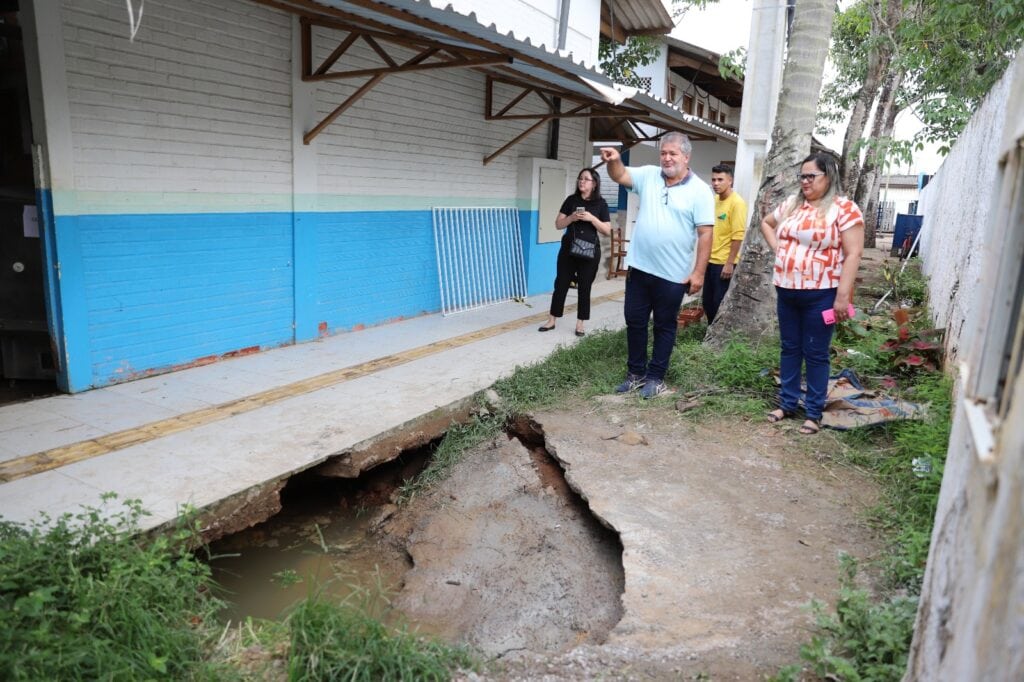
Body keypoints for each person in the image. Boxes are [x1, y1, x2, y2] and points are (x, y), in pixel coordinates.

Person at [600, 133, 714, 399]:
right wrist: (614, 160)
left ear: (686, 157)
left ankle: (656, 377)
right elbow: (620, 176)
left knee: (664, 325)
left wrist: (698, 273)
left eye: (673, 153)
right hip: (640, 269)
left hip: (673, 275)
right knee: (635, 321)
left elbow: (706, 234)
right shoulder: (650, 176)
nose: (667, 158)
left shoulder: (700, 191)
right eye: (663, 153)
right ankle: (636, 374)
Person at [761, 152, 864, 435]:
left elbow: (854, 253)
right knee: (789, 348)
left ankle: (814, 412)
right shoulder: (794, 204)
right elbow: (766, 223)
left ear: (828, 176)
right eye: (802, 176)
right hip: (787, 290)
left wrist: (842, 297)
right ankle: (787, 403)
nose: (805, 181)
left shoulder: (844, 209)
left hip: (822, 293)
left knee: (816, 353)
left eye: (811, 176)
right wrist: (779, 251)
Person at [538, 167, 612, 337]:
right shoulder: (571, 200)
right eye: (580, 178)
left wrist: (591, 218)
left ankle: (580, 324)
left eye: (586, 179)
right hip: (568, 251)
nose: (581, 181)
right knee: (561, 284)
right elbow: (558, 224)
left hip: (589, 252)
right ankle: (552, 320)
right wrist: (571, 218)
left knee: (584, 287)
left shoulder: (601, 204)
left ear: (594, 184)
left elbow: (607, 230)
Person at [704, 164, 747, 324]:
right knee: (707, 302)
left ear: (730, 181)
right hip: (709, 260)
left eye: (720, 179)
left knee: (719, 304)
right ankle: (710, 334)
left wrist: (729, 263)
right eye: (713, 180)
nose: (716, 183)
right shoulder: (714, 200)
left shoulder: (737, 203)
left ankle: (717, 341)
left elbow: (738, 236)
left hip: (724, 264)